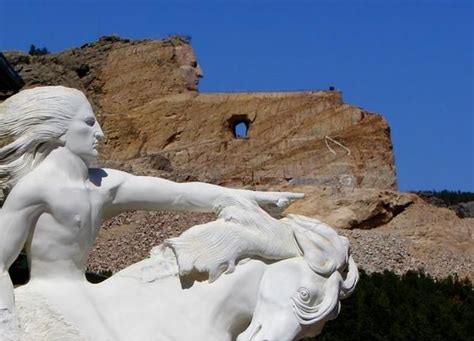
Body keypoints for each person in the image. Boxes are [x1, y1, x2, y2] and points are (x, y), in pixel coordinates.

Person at [0, 86, 303, 326]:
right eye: (90, 123)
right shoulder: (35, 189)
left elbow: (178, 194)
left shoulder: (104, 185)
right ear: (59, 130)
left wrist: (245, 198)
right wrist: (7, 324)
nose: (101, 133)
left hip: (85, 296)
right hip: (48, 303)